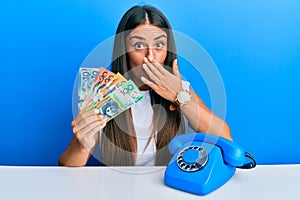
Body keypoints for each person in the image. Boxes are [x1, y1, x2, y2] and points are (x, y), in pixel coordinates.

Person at [59, 5, 232, 167]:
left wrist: (179, 96)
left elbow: (225, 139)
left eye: (159, 45)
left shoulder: (181, 90)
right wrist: (83, 145)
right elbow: (66, 167)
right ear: (123, 50)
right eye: (139, 45)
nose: (151, 56)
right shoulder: (106, 92)